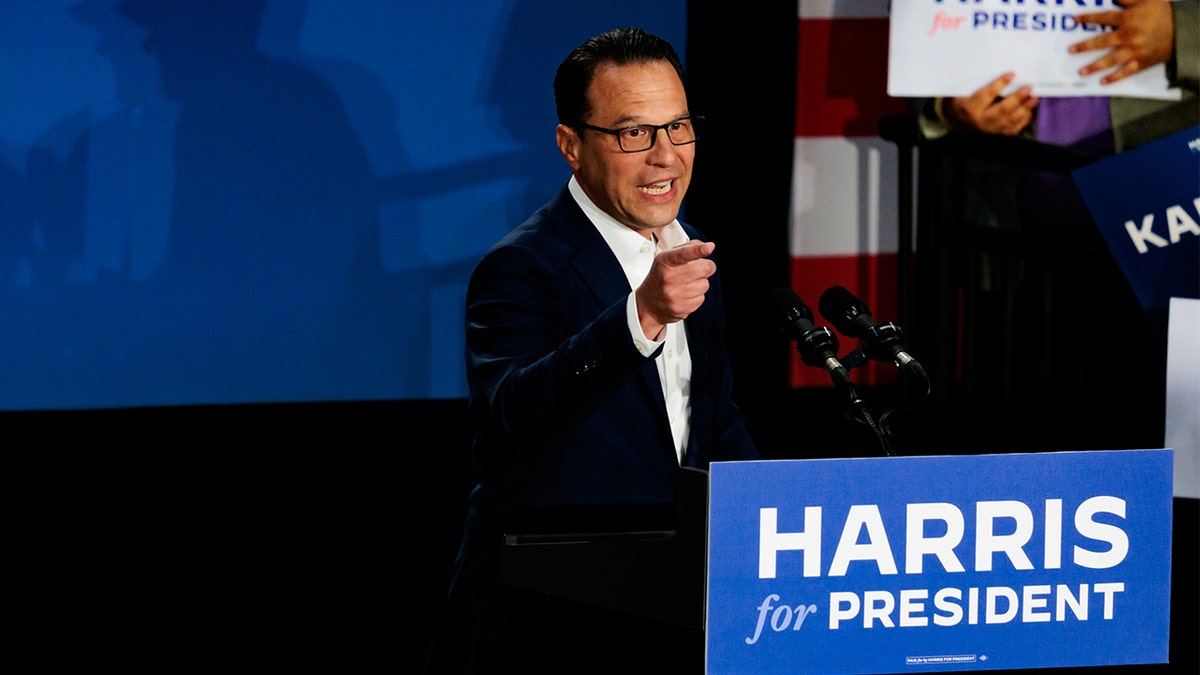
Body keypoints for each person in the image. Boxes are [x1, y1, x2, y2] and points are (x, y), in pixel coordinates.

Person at [424, 27, 760, 674]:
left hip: (673, 609)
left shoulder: (695, 251)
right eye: (635, 133)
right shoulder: (521, 268)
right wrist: (643, 314)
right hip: (550, 619)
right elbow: (514, 412)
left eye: (679, 127)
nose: (666, 156)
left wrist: (774, 519)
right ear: (571, 146)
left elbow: (712, 415)